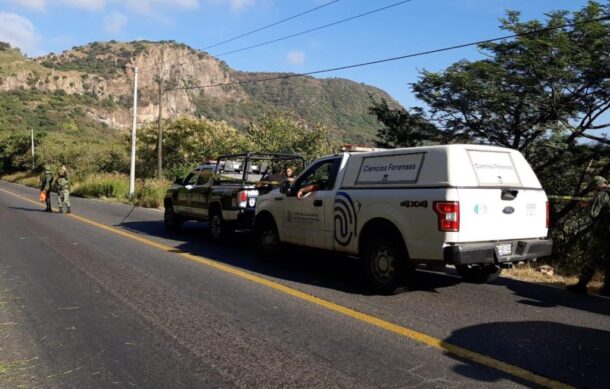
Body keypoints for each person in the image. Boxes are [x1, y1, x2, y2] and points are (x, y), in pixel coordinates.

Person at [566, 176, 610, 296]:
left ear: (597, 185)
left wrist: (586, 205)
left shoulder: (602, 194)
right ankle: (607, 289)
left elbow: (593, 214)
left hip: (603, 235)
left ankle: (581, 286)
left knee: (592, 259)